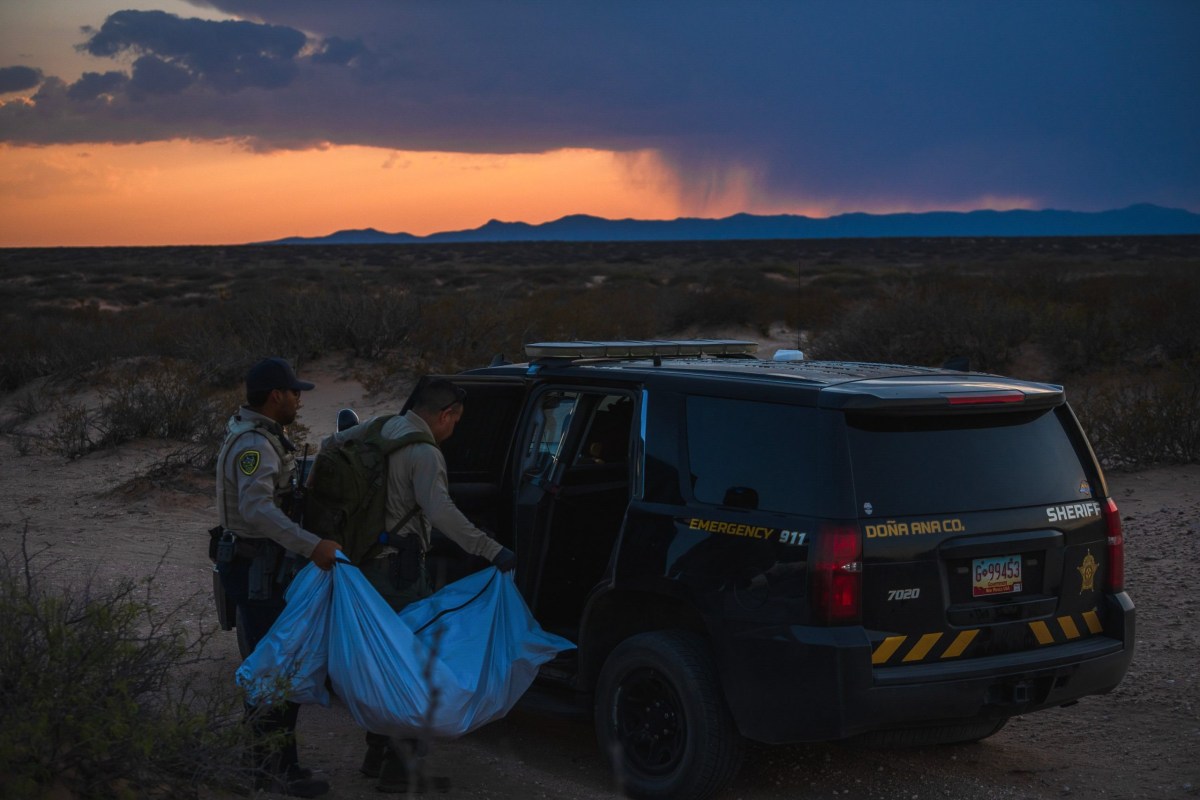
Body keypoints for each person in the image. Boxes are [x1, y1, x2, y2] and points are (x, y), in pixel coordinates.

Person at [359, 377, 516, 793]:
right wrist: (490, 549)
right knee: (414, 668)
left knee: (383, 662)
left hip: (368, 566)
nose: (454, 431)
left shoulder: (383, 429)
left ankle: (376, 754)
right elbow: (440, 510)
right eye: (456, 422)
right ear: (445, 415)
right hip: (401, 573)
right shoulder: (425, 452)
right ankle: (400, 771)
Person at [214, 357, 341, 798]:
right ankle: (270, 771)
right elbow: (256, 509)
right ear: (275, 396)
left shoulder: (258, 434)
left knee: (277, 666)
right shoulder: (256, 444)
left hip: (261, 565)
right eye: (293, 392)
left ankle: (278, 765)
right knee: (272, 670)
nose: (298, 399)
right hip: (258, 568)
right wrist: (312, 545)